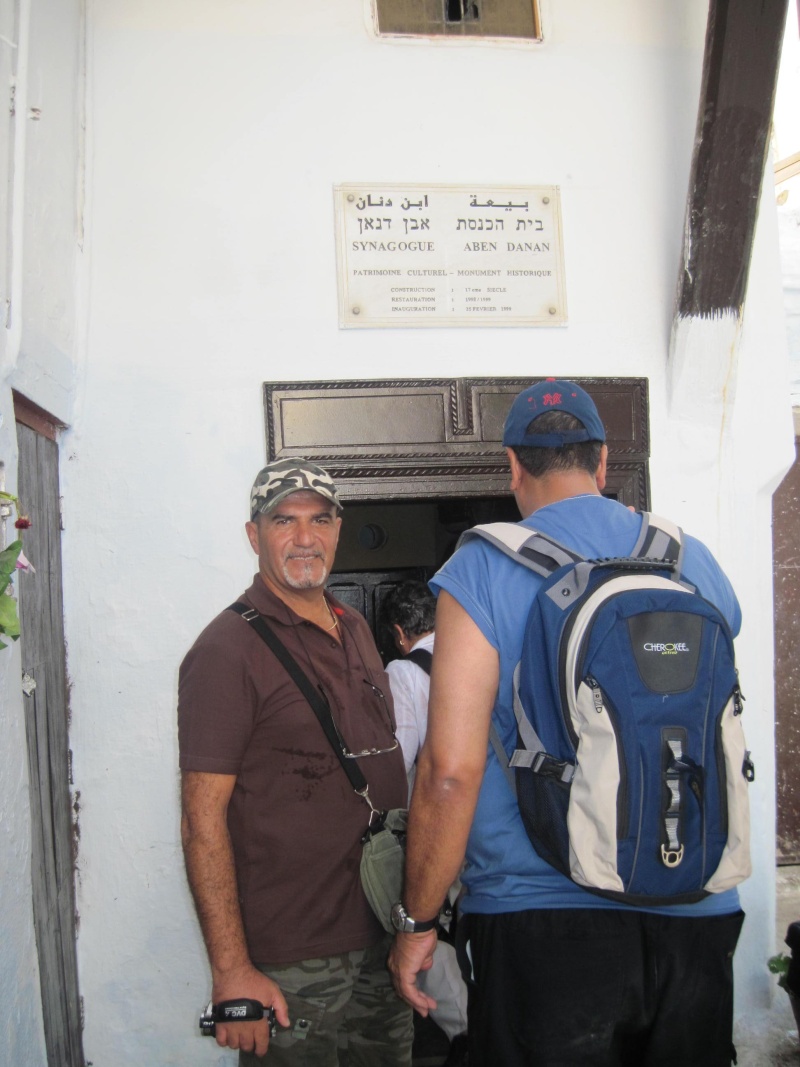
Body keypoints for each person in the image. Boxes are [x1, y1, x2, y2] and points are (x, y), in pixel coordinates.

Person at [388, 380, 745, 1067]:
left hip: (538, 917)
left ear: (513, 468)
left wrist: (417, 921)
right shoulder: (690, 559)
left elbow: (449, 773)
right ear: (603, 462)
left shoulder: (481, 569)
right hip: (696, 906)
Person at [179, 458, 412, 1065]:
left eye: (320, 520)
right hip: (293, 954)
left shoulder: (354, 624)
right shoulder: (226, 651)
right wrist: (232, 970)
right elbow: (202, 820)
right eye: (284, 520)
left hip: (381, 926)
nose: (305, 538)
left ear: (338, 529)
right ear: (254, 536)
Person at [382, 582, 469, 1065]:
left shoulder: (403, 670)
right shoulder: (475, 654)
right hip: (485, 823)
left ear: (399, 633)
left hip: (435, 823)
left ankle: (462, 1032)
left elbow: (398, 761)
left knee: (429, 925)